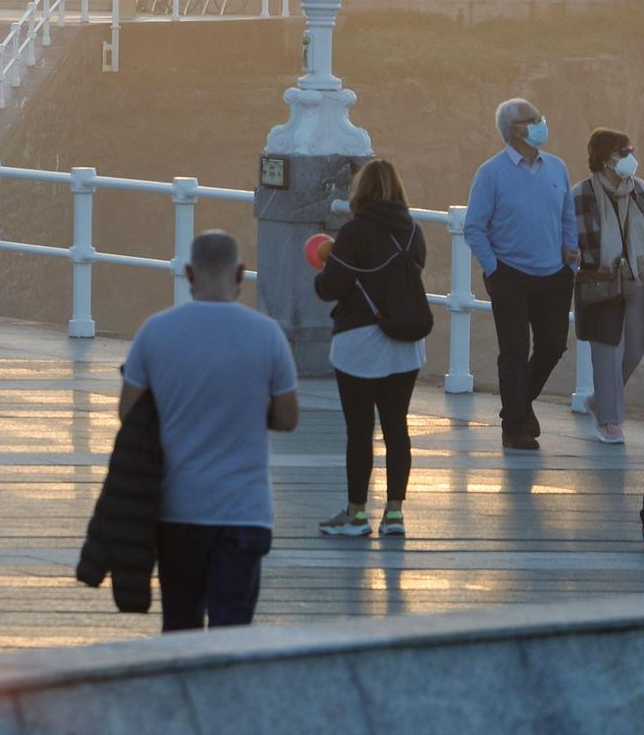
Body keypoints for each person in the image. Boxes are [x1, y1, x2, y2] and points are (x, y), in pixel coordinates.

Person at [119, 232, 297, 631]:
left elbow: (128, 412)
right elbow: (287, 418)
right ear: (239, 272)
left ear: (188, 273)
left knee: (180, 629)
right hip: (244, 512)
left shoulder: (155, 331)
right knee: (231, 635)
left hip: (178, 510)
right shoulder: (266, 334)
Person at [314, 160, 425, 539]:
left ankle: (356, 514)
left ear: (360, 191)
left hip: (359, 343)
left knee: (360, 432)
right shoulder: (413, 232)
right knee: (397, 428)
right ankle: (394, 514)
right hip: (406, 345)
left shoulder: (354, 232)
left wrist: (321, 270)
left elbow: (333, 287)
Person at [464, 98, 579, 451]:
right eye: (534, 119)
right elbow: (474, 227)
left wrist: (570, 259)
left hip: (554, 276)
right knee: (513, 350)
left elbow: (567, 218)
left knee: (553, 344)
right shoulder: (491, 173)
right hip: (509, 275)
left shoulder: (557, 167)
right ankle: (514, 426)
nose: (542, 122)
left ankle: (518, 404)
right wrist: (495, 269)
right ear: (516, 129)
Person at [572, 129, 644, 444]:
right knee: (606, 350)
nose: (630, 158)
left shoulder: (640, 190)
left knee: (634, 349)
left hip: (641, 279)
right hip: (600, 282)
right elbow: (567, 240)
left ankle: (599, 401)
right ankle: (610, 421)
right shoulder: (581, 195)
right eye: (623, 152)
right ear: (605, 160)